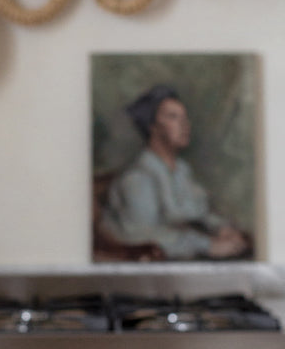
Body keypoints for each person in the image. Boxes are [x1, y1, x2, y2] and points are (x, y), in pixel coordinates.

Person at [97, 84, 250, 260]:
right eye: (173, 117)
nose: (184, 124)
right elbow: (143, 235)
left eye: (185, 118)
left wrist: (222, 229)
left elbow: (199, 210)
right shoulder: (137, 178)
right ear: (152, 126)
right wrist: (208, 245)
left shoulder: (182, 170)